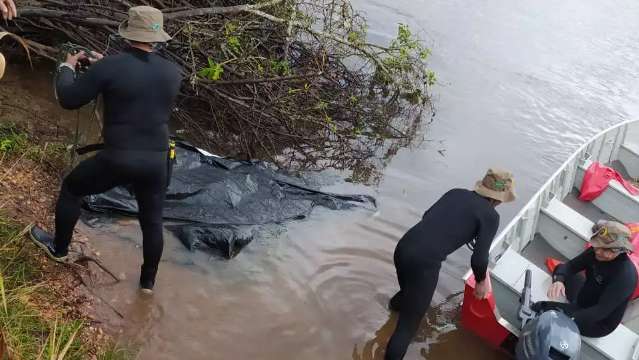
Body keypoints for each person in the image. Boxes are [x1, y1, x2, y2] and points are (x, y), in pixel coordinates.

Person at [29, 6, 183, 294]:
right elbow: (138, 83)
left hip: (120, 157)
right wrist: (104, 67)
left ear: (127, 32)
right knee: (152, 220)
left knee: (73, 188)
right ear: (158, 38)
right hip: (157, 160)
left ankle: (59, 249)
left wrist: (67, 68)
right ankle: (147, 285)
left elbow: (69, 98)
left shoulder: (109, 67)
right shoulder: (173, 73)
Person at [385, 168, 516, 360]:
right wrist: (481, 282)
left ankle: (388, 314)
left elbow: (428, 215)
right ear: (500, 199)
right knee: (407, 328)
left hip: (404, 246)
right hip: (424, 263)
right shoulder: (491, 216)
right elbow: (479, 259)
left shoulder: (456, 192)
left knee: (407, 294)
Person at [533, 220, 637, 338]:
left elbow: (600, 311)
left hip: (597, 322)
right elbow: (570, 266)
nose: (598, 251)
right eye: (598, 245)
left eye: (604, 249)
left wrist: (567, 317)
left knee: (540, 307)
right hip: (584, 296)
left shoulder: (625, 277)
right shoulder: (596, 252)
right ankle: (570, 304)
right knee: (561, 271)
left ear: (620, 250)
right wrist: (559, 280)